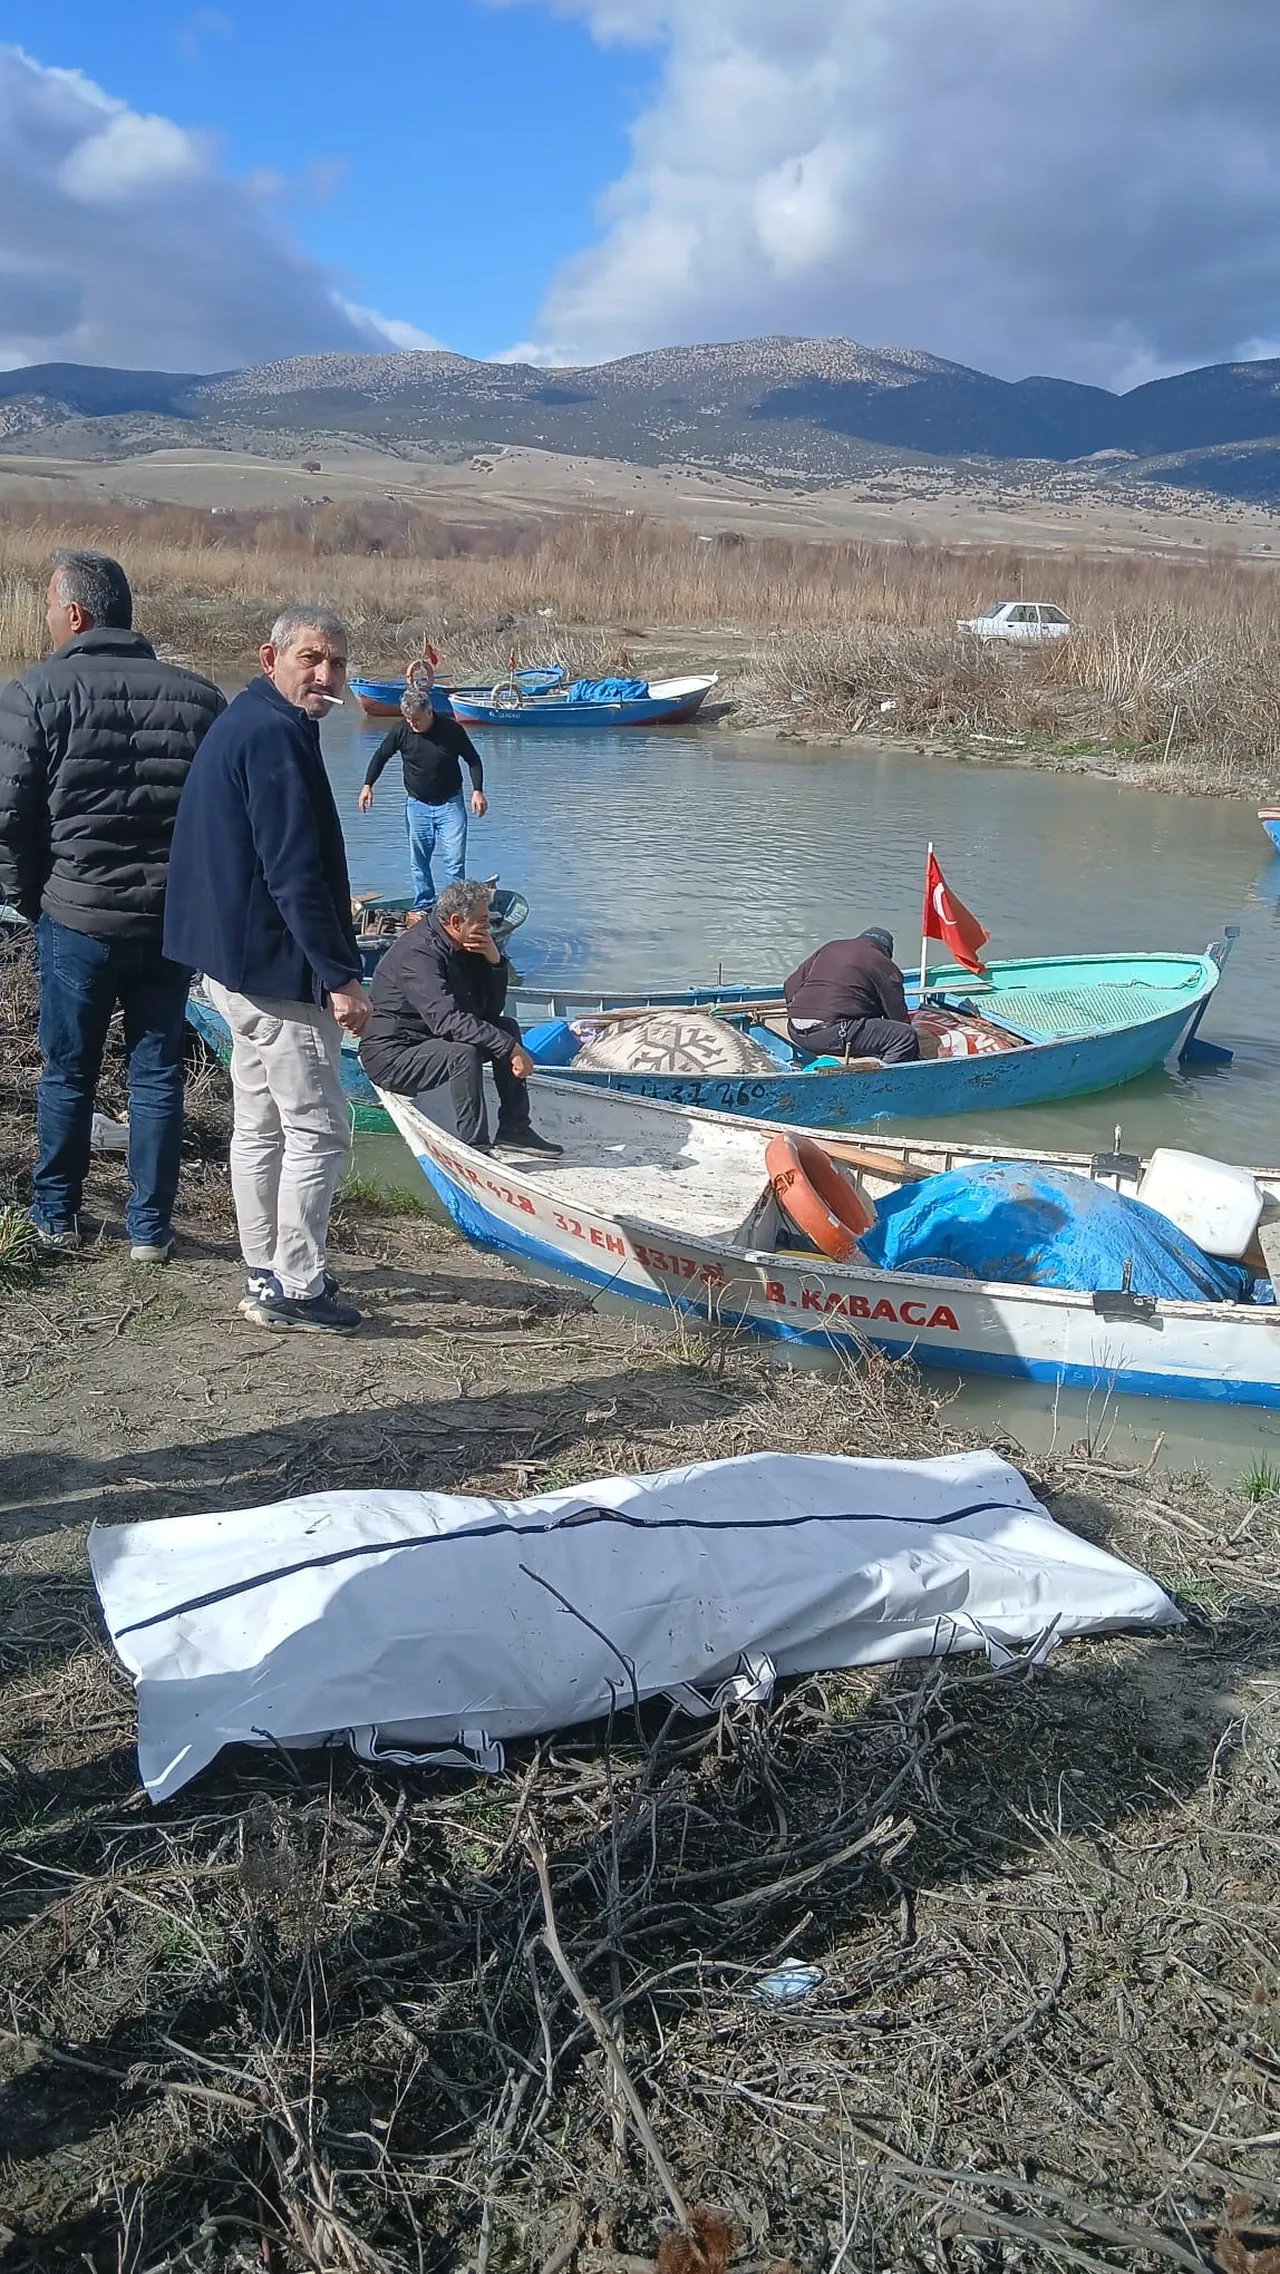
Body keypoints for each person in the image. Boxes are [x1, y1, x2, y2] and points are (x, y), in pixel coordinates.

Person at [0, 548, 224, 1260]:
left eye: (45, 610)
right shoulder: (199, 698)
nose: (43, 622)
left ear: (74, 614)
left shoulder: (34, 694)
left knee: (69, 1069)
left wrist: (27, 894)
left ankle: (55, 1216)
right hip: (168, 922)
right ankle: (150, 1231)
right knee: (155, 1073)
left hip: (75, 915)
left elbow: (9, 814)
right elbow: (226, 819)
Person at [165, 606, 371, 1333]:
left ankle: (266, 1268)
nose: (326, 675)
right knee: (318, 1129)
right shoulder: (275, 738)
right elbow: (295, 876)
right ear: (270, 657)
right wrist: (341, 976)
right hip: (278, 974)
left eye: (337, 663)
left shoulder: (247, 722)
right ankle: (299, 1285)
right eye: (311, 658)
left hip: (230, 966)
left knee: (258, 1121)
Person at [358, 877, 562, 1156]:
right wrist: (508, 1048)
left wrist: (494, 963)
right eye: (482, 920)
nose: (488, 926)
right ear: (455, 922)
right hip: (393, 1055)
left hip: (432, 1039)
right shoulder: (418, 954)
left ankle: (514, 1128)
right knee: (463, 1053)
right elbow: (447, 1020)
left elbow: (489, 1012)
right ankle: (475, 1147)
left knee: (507, 1027)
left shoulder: (468, 944)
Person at [358, 670, 487, 912]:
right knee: (419, 862)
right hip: (417, 806)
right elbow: (381, 756)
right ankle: (424, 905)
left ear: (429, 712)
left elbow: (473, 760)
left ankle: (453, 910)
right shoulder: (401, 730)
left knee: (454, 862)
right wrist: (368, 785)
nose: (412, 723)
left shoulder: (451, 730)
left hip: (450, 804)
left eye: (416, 719)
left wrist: (477, 791)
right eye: (408, 719)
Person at [784, 928, 921, 1064]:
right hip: (830, 1034)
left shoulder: (831, 947)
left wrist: (801, 1013)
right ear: (886, 950)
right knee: (904, 1036)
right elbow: (897, 1016)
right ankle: (884, 1080)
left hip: (795, 1031)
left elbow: (789, 985)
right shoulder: (882, 962)